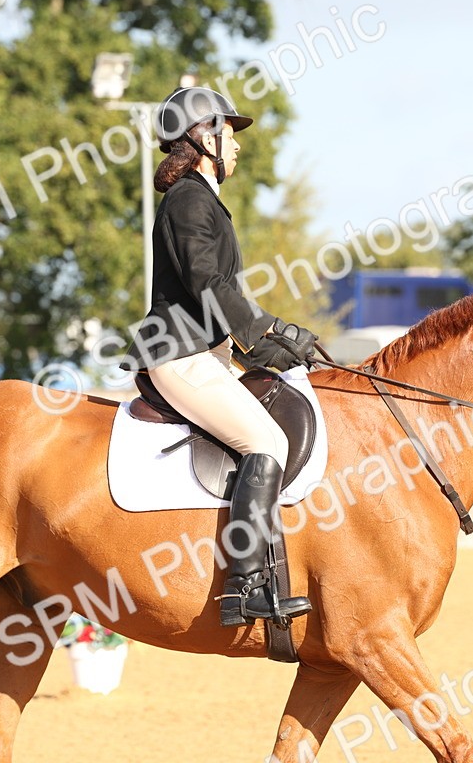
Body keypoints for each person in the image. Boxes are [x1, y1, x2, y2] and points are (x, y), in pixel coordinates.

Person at [120, 86, 318, 627]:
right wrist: (268, 328)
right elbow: (208, 281)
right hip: (179, 354)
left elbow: (219, 293)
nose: (237, 146)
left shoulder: (203, 198)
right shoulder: (187, 198)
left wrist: (282, 348)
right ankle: (245, 585)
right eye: (230, 134)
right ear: (205, 135)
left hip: (206, 352)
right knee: (266, 440)